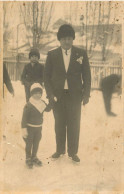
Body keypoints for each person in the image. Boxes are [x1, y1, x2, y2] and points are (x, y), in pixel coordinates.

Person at [44, 24, 91, 162]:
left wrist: (86, 94)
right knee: (59, 123)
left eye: (69, 38)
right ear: (60, 39)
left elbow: (87, 76)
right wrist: (50, 94)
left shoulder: (81, 53)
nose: (67, 41)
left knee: (74, 124)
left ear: (73, 39)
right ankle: (59, 150)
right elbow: (46, 77)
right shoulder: (52, 54)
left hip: (75, 96)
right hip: (57, 96)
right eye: (64, 38)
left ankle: (73, 152)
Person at [21, 83, 51, 169]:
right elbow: (24, 118)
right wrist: (24, 129)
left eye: (39, 93)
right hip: (30, 128)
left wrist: (52, 101)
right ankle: (28, 157)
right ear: (32, 94)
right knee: (29, 143)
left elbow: (48, 109)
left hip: (38, 128)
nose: (38, 95)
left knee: (36, 142)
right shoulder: (29, 105)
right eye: (35, 93)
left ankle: (34, 156)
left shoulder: (42, 103)